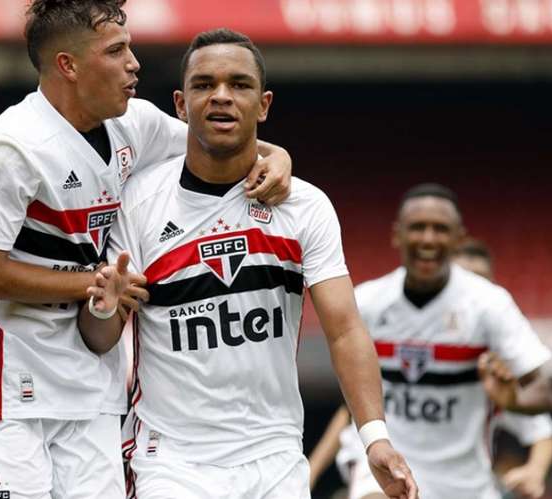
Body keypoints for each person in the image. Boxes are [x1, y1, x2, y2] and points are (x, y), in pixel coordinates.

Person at [0, 1, 293, 497]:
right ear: (69, 65)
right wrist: (93, 283)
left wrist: (278, 156)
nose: (134, 63)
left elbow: (220, 141)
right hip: (7, 396)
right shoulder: (8, 150)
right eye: (116, 50)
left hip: (94, 393)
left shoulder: (137, 125)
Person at [82, 29, 418, 499]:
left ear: (263, 105)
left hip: (274, 455)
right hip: (173, 460)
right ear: (181, 104)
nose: (221, 96)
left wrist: (375, 437)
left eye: (239, 84)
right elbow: (100, 337)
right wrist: (103, 307)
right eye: (204, 85)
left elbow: (344, 330)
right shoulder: (137, 203)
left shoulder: (305, 206)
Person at [307, 183, 552, 499]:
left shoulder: (489, 304)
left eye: (440, 229)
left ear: (458, 238)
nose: (427, 238)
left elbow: (544, 392)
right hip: (386, 466)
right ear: (397, 234)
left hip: (464, 483)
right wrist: (311, 472)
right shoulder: (368, 302)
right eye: (417, 228)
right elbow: (349, 406)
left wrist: (512, 401)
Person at [455, 239, 552, 499]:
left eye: (480, 280)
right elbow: (350, 413)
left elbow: (543, 434)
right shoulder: (402, 343)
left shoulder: (495, 372)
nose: (472, 289)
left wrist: (534, 472)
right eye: (463, 278)